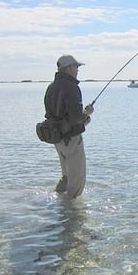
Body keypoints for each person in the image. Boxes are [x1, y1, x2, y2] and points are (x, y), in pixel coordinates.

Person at [44, 55, 94, 199]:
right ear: (69, 68)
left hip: (57, 138)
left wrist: (83, 115)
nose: (78, 70)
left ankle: (57, 199)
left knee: (66, 176)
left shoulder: (51, 86)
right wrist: (87, 113)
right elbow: (75, 118)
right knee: (77, 181)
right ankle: (70, 215)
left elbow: (52, 114)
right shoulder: (72, 87)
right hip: (71, 139)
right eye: (76, 67)